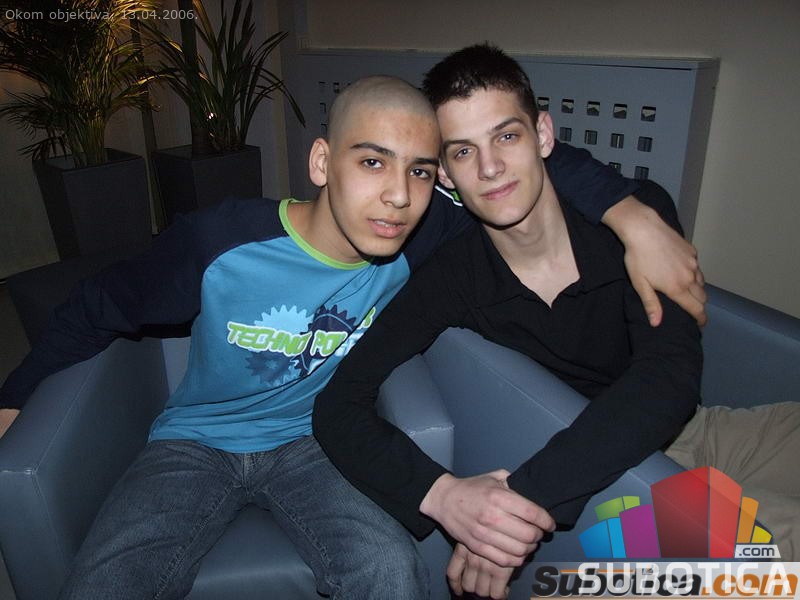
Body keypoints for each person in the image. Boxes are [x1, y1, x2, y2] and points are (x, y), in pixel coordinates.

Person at [0, 74, 704, 599]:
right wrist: (15, 398)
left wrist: (631, 214)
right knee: (107, 581)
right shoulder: (219, 243)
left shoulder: (425, 236)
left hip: (317, 446)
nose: (397, 195)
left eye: (419, 171)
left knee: (389, 570)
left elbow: (514, 168)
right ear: (321, 163)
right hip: (196, 441)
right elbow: (98, 304)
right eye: (371, 162)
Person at [313, 45, 705, 599]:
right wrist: (446, 497)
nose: (490, 167)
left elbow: (670, 377)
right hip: (640, 483)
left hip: (687, 435)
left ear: (543, 135)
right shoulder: (451, 275)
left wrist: (521, 500)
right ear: (446, 175)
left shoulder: (635, 221)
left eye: (506, 136)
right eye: (463, 151)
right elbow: (338, 404)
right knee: (772, 564)